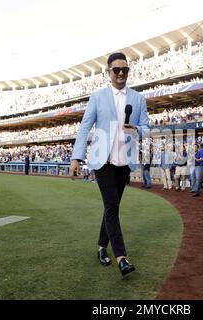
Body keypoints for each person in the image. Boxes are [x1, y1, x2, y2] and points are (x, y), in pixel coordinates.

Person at [69, 52, 149, 277]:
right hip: (102, 161)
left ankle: (101, 248)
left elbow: (147, 127)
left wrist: (137, 130)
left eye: (125, 69)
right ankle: (122, 257)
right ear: (109, 72)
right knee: (112, 206)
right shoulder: (97, 97)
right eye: (117, 70)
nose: (121, 73)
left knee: (111, 208)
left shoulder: (138, 98)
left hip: (124, 162)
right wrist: (77, 157)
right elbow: (85, 127)